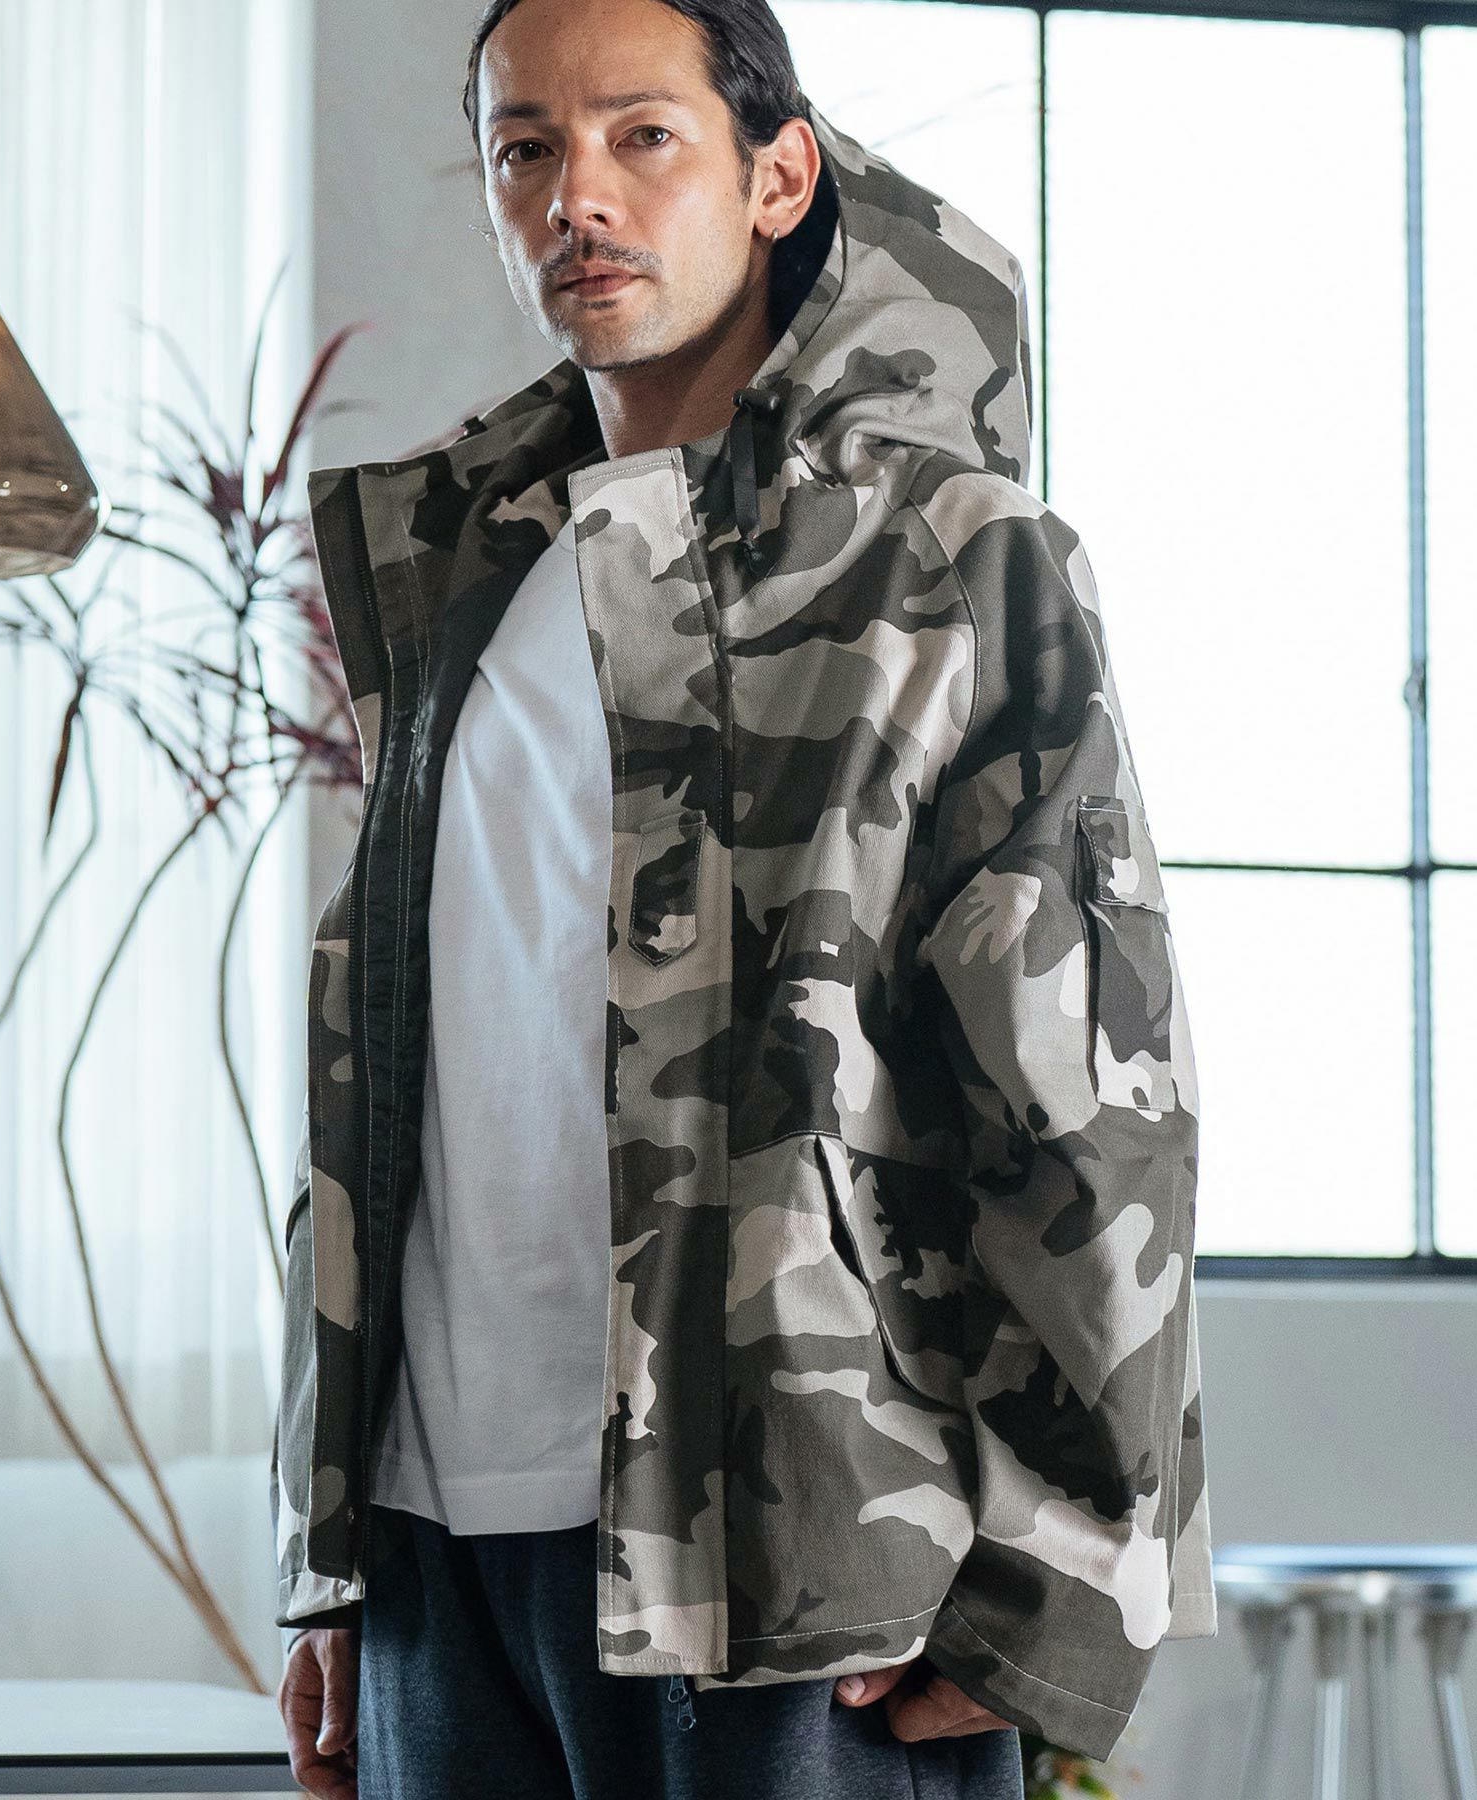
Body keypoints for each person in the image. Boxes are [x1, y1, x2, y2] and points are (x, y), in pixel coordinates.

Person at [271, 0, 1217, 1794]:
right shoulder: (458, 579)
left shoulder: (953, 556)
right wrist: (327, 1547)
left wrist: (1072, 1580)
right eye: (526, 149)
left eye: (643, 135)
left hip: (800, 1555)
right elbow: (378, 1083)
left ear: (779, 175)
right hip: (437, 1548)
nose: (577, 197)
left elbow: (1091, 1087)